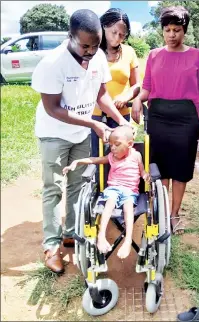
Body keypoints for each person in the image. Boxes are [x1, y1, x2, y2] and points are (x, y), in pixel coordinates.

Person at [31, 9, 130, 274]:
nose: (90, 51)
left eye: (95, 45)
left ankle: (72, 233)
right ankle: (52, 247)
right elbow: (52, 108)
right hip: (54, 133)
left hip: (79, 135)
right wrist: (93, 123)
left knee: (78, 185)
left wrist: (121, 120)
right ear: (70, 36)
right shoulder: (53, 63)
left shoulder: (98, 57)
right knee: (53, 188)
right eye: (84, 45)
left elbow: (102, 95)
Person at [131, 6, 199, 235]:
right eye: (167, 30)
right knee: (162, 169)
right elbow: (146, 89)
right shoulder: (154, 55)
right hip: (159, 118)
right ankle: (163, 213)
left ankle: (174, 214)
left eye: (177, 29)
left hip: (186, 119)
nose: (172, 34)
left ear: (184, 30)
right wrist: (136, 100)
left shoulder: (196, 55)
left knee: (181, 169)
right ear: (162, 31)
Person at [63, 125, 149, 259]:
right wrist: (78, 161)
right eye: (110, 144)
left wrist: (145, 175)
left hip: (130, 191)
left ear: (130, 144)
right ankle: (101, 236)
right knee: (110, 202)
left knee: (128, 208)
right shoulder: (111, 157)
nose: (112, 148)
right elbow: (95, 160)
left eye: (117, 144)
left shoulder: (136, 156)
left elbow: (142, 170)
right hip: (113, 189)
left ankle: (127, 241)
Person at [91, 8, 140, 158]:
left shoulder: (129, 52)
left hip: (121, 114)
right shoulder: (92, 52)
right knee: (97, 156)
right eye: (114, 32)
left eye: (122, 35)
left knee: (121, 157)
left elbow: (137, 85)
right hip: (95, 114)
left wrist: (126, 97)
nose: (117, 38)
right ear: (103, 26)